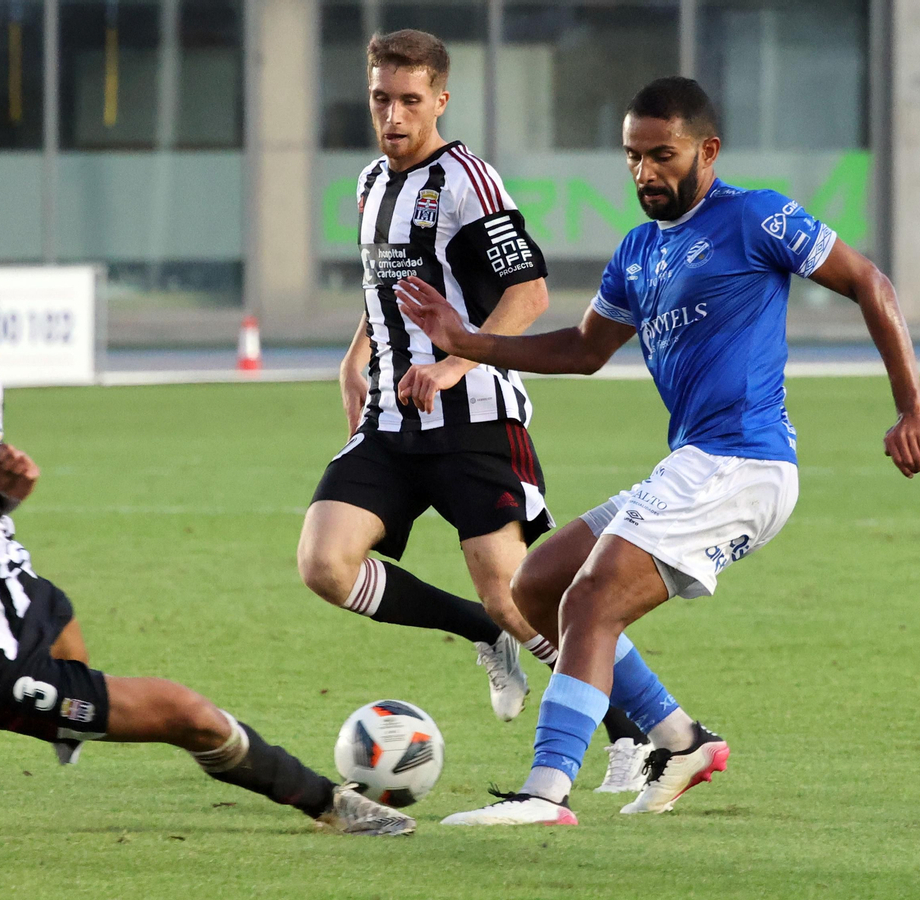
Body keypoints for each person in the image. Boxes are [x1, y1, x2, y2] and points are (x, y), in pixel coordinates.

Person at [397, 77, 920, 825]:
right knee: (536, 586)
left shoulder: (756, 216)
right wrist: (469, 343)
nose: (646, 171)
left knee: (592, 597)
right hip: (692, 463)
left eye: (663, 155)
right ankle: (683, 743)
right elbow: (585, 349)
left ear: (707, 151)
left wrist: (910, 406)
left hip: (744, 464)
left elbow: (869, 282)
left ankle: (545, 792)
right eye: (632, 157)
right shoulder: (640, 250)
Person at [0, 265, 414, 837]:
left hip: (27, 597)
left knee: (71, 639)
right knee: (189, 716)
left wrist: (6, 494)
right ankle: (330, 803)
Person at [298, 30, 687, 789]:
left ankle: (639, 736)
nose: (394, 115)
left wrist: (451, 365)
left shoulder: (468, 181)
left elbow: (530, 296)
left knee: (527, 601)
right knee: (324, 564)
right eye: (382, 98)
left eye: (411, 101)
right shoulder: (371, 181)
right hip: (390, 419)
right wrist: (357, 354)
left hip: (473, 418)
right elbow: (392, 287)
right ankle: (478, 629)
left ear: (440, 99)